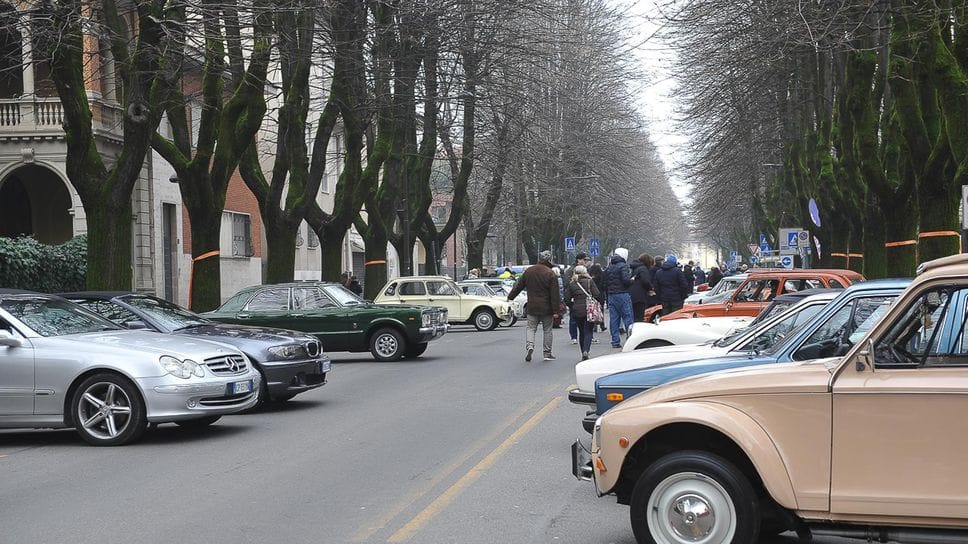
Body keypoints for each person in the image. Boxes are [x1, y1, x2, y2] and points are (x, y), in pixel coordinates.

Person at [507, 250, 561, 361]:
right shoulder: (550, 273)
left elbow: (518, 286)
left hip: (532, 306)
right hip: (547, 308)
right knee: (547, 330)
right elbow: (555, 294)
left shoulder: (529, 271)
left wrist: (511, 296)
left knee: (531, 329)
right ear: (549, 259)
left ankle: (530, 347)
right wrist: (556, 310)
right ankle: (547, 353)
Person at [563, 265, 600, 360]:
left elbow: (566, 299)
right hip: (589, 310)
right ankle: (586, 351)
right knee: (588, 331)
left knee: (581, 332)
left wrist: (572, 306)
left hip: (577, 310)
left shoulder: (572, 284)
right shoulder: (589, 281)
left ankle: (582, 351)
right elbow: (597, 294)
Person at [603, 248, 634, 348]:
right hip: (622, 293)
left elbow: (605, 281)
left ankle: (615, 341)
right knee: (627, 317)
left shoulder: (609, 266)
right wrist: (632, 280)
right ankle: (630, 339)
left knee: (614, 318)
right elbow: (625, 280)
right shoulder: (623, 266)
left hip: (612, 295)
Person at [566, 252, 590, 344]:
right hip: (574, 297)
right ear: (578, 260)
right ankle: (574, 336)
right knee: (573, 318)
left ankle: (585, 335)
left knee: (585, 318)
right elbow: (567, 284)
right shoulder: (571, 270)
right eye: (584, 260)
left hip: (582, 298)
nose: (585, 261)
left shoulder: (585, 269)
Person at [629, 253, 656, 323]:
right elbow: (646, 281)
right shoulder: (643, 269)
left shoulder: (635, 268)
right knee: (639, 317)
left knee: (634, 317)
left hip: (633, 294)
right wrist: (650, 289)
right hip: (640, 296)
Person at [589, 263, 607, 333]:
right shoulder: (602, 275)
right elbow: (604, 285)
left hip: (593, 295)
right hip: (601, 294)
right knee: (601, 310)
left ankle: (594, 326)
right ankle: (602, 325)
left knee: (594, 310)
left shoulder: (591, 277)